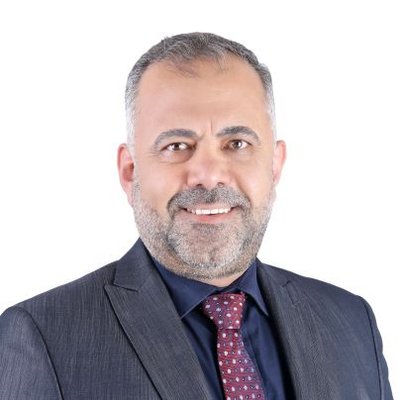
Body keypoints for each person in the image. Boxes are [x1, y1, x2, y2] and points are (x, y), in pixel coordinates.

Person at [0, 32, 392, 400]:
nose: (208, 174)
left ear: (274, 166)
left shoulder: (350, 322)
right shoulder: (42, 337)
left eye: (237, 143)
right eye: (177, 145)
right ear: (130, 172)